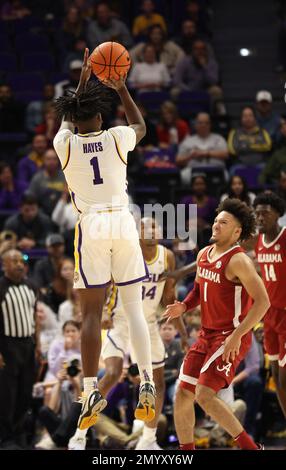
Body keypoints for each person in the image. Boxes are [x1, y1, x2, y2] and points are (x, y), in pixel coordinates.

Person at [53, 48, 156, 432]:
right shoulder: (116, 138)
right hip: (123, 221)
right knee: (133, 310)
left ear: (75, 123)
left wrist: (79, 86)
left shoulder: (64, 145)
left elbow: (66, 122)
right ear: (99, 117)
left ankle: (92, 389)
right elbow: (141, 127)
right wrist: (123, 90)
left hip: (91, 225)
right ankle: (146, 379)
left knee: (92, 313)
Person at [68, 217, 188, 450]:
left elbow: (169, 298)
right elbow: (102, 284)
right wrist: (102, 311)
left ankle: (148, 439)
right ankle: (79, 433)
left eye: (156, 226)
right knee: (111, 374)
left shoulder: (167, 257)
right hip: (122, 322)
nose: (153, 230)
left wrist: (182, 332)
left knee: (157, 382)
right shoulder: (125, 252)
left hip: (150, 323)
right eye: (146, 227)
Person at [163, 198, 270, 450]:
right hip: (206, 335)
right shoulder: (203, 254)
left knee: (204, 395)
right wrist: (184, 306)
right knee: (182, 394)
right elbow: (199, 290)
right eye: (215, 221)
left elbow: (263, 302)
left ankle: (250, 448)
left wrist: (238, 336)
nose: (216, 225)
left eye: (224, 222)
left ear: (237, 231)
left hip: (230, 336)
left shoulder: (238, 260)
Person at [252, 192, 286, 420]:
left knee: (284, 377)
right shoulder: (258, 241)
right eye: (257, 213)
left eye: (265, 212)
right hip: (270, 315)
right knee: (274, 375)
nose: (260, 217)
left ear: (278, 215)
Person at [0, 249, 38, 448]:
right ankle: (6, 437)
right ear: (4, 264)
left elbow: (34, 318)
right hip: (7, 345)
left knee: (25, 392)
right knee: (7, 393)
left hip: (28, 345)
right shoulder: (1, 287)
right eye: (13, 261)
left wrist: (37, 344)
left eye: (21, 260)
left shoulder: (31, 286)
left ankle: (19, 433)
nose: (19, 264)